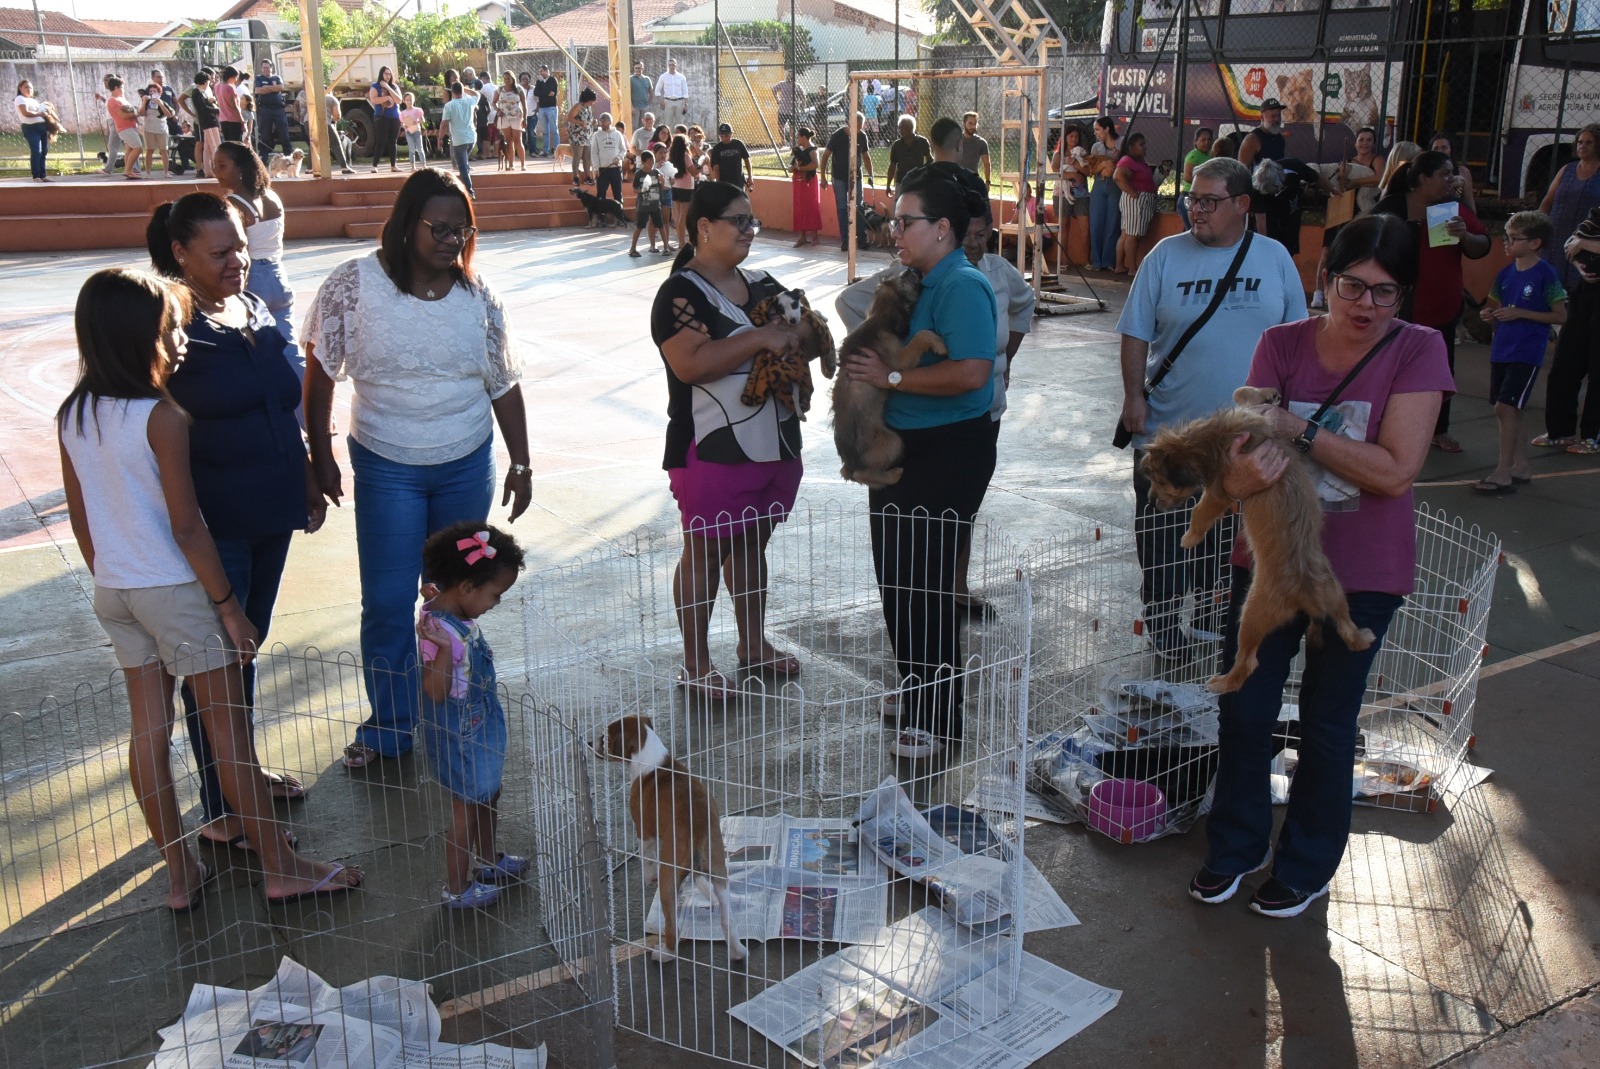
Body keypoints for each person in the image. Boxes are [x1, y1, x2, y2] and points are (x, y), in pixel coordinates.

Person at [59, 267, 362, 909]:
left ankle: (179, 873)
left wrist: (115, 574)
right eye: (168, 332)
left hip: (116, 591)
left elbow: (84, 520)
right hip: (175, 590)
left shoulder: (75, 413)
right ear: (138, 338)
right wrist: (228, 606)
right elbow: (188, 525)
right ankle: (282, 867)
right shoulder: (163, 417)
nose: (178, 344)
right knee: (228, 734)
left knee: (148, 735)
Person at [1189, 213, 1453, 919]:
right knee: (1245, 706)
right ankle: (1237, 844)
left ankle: (1305, 863)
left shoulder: (1419, 351)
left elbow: (1395, 471)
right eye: (1351, 286)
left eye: (1385, 292)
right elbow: (1242, 457)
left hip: (1361, 572)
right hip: (1271, 563)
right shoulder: (1281, 344)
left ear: (1405, 297)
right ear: (1324, 281)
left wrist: (1299, 428)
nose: (1365, 305)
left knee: (1327, 723)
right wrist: (1241, 472)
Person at [303, 169, 531, 769]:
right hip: (386, 465)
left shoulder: (478, 296)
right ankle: (391, 726)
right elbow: (320, 372)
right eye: (439, 228)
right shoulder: (353, 286)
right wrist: (319, 454)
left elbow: (503, 381)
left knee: (451, 598)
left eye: (463, 230)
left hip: (465, 461)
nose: (452, 240)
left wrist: (522, 459)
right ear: (407, 225)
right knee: (386, 599)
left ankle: (448, 708)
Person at [146, 191, 319, 851]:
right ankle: (222, 804)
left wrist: (304, 469)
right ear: (180, 252)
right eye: (220, 251)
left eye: (242, 245)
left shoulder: (247, 305)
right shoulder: (168, 322)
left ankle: (238, 772)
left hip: (270, 511)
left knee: (242, 651)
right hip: (216, 523)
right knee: (218, 661)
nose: (238, 260)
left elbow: (280, 402)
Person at [1117, 157, 1307, 660]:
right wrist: (1133, 397)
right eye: (1191, 200)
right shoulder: (1164, 256)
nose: (1195, 211)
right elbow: (1134, 331)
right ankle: (1163, 624)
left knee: (1231, 537)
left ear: (1242, 205)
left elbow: (1297, 339)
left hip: (1246, 438)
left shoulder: (1274, 259)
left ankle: (1213, 615)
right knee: (1162, 538)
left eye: (1208, 202)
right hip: (1170, 433)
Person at [838, 165, 998, 760]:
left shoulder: (962, 285)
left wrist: (893, 375)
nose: (895, 230)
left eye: (907, 222)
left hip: (950, 450)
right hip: (907, 448)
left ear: (944, 228)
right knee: (898, 579)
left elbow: (973, 373)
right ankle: (915, 690)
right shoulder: (917, 280)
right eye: (895, 220)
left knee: (928, 587)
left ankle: (939, 717)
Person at [650, 182, 809, 698]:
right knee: (705, 549)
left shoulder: (762, 281)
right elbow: (692, 363)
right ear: (704, 227)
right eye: (738, 221)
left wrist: (804, 338)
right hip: (711, 443)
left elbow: (805, 330)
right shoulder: (680, 292)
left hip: (774, 440)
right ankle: (695, 664)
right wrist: (762, 338)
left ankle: (752, 644)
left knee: (751, 542)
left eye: (752, 221)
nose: (749, 230)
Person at [416, 521, 529, 909]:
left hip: (479, 720)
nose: (496, 603)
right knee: (466, 808)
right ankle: (457, 887)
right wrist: (444, 652)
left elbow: (434, 597)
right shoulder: (438, 633)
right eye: (495, 595)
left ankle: (488, 859)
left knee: (489, 792)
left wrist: (432, 593)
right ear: (465, 588)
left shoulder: (444, 604)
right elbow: (434, 691)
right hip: (460, 731)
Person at [1371, 150, 1490, 453]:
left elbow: (1482, 245)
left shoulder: (1450, 209)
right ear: (1423, 179)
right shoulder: (1393, 207)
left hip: (1441, 304)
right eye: (1445, 174)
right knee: (1387, 366)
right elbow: (1365, 244)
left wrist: (1464, 237)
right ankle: (1381, 424)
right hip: (1396, 306)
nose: (1453, 180)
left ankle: (1438, 429)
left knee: (1439, 370)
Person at [1475, 211, 1567, 492]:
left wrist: (1521, 314)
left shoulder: (1545, 274)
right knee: (1512, 408)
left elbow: (1560, 316)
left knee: (1505, 406)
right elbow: (1492, 305)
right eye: (1507, 237)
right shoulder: (1505, 274)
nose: (1507, 243)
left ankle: (1503, 470)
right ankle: (1521, 465)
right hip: (1502, 349)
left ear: (1535, 243)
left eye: (1514, 238)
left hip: (1526, 351)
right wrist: (1488, 314)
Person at [210, 142, 301, 384]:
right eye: (214, 166)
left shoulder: (236, 204)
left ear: (241, 168)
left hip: (252, 279)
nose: (216, 172)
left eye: (222, 166)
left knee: (251, 354)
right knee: (290, 352)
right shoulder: (271, 195)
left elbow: (234, 250)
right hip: (278, 276)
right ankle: (309, 414)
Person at [1535, 204, 1600, 453]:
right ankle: (1559, 430)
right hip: (1586, 292)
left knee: (1598, 366)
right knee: (1566, 360)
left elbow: (1581, 242)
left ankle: (1593, 435)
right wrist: (1581, 263)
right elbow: (1572, 242)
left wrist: (1586, 245)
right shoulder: (1595, 215)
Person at [1311, 126, 1383, 309]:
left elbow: (1380, 178)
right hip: (1342, 209)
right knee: (1327, 251)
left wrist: (1355, 182)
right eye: (1361, 140)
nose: (1365, 143)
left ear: (1374, 143)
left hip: (1363, 212)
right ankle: (1318, 292)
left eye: (1369, 140)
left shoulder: (1377, 160)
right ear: (1355, 143)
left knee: (1358, 254)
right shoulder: (1346, 163)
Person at [1536, 123, 1600, 293]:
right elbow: (1547, 201)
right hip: (1555, 237)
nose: (1582, 146)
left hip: (1585, 240)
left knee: (1577, 289)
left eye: (1589, 142)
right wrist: (1539, 228)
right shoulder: (1566, 170)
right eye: (1580, 142)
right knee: (1549, 287)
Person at [822, 113, 874, 250]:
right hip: (839, 177)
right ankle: (845, 239)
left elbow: (866, 156)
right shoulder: (838, 135)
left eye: (860, 127)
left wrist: (871, 175)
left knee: (858, 206)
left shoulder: (862, 136)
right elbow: (825, 156)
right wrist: (822, 177)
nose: (857, 131)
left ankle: (862, 238)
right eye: (856, 127)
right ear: (850, 123)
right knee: (842, 208)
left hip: (856, 176)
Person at [1113, 130, 1159, 275]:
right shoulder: (1128, 160)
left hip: (1137, 199)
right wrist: (1133, 193)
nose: (1144, 147)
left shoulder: (1139, 162)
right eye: (1141, 144)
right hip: (1136, 201)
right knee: (1133, 235)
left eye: (1144, 144)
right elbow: (1118, 176)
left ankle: (1120, 265)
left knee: (1127, 234)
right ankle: (1132, 268)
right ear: (1131, 146)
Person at [1087, 116, 1122, 271]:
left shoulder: (1122, 142)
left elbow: (1124, 161)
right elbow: (1091, 170)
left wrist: (1110, 162)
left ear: (1107, 129)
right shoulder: (1096, 147)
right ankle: (1096, 261)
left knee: (1113, 222)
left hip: (1116, 184)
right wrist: (1102, 164)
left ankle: (1108, 261)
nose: (1096, 133)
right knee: (1096, 222)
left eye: (1097, 129)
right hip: (1099, 183)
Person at [1051, 122, 1090, 256]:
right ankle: (1062, 260)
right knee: (1064, 227)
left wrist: (1074, 162)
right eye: (1071, 136)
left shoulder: (1081, 154)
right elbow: (1055, 172)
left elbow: (1087, 172)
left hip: (1081, 194)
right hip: (1061, 193)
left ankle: (1086, 260)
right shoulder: (1058, 155)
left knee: (1085, 227)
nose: (1074, 139)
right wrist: (1072, 174)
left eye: (1076, 137)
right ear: (1065, 137)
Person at [629, 150, 668, 257]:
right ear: (643, 162)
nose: (651, 165)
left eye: (653, 162)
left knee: (660, 225)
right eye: (649, 163)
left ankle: (665, 247)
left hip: (655, 204)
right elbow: (634, 189)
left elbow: (662, 186)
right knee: (640, 226)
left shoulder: (656, 172)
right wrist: (642, 190)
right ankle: (633, 248)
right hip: (643, 205)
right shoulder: (639, 174)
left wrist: (662, 181)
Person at [442, 82, 478, 197]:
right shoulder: (470, 101)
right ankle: (467, 186)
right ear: (462, 91)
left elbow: (444, 124)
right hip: (471, 138)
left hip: (458, 140)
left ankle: (469, 191)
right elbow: (477, 94)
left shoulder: (449, 106)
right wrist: (465, 89)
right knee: (464, 161)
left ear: (452, 92)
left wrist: (439, 138)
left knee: (462, 166)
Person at [1427, 132, 1476, 214]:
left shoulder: (1463, 172)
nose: (1440, 151)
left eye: (1444, 148)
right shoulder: (1425, 173)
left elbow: (1470, 205)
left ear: (1451, 149)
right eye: (1436, 148)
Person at [107, 77, 144, 180]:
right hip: (125, 128)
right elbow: (122, 115)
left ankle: (129, 170)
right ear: (116, 87)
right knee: (138, 148)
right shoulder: (113, 100)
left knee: (130, 148)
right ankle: (128, 170)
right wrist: (137, 113)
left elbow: (129, 110)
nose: (123, 89)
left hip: (130, 127)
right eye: (121, 87)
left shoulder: (121, 99)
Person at [16, 79, 54, 181]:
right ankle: (36, 176)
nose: (29, 89)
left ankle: (43, 175)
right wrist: (39, 114)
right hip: (30, 128)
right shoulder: (20, 99)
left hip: (42, 127)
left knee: (44, 151)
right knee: (36, 151)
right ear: (20, 88)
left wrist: (46, 112)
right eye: (26, 87)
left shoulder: (34, 100)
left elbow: (41, 112)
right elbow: (25, 113)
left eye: (31, 87)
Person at [1176, 127, 1213, 230]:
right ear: (1196, 142)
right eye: (1203, 140)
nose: (1207, 142)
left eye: (1209, 139)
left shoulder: (1211, 155)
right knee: (1192, 230)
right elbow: (1188, 177)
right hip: (1189, 197)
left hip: (1201, 198)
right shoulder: (1193, 156)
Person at [791, 127, 822, 247]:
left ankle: (815, 236)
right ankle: (802, 237)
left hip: (809, 181)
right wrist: (793, 167)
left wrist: (801, 169)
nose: (797, 139)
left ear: (804, 137)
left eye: (798, 137)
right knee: (799, 207)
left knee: (812, 206)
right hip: (799, 182)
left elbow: (815, 164)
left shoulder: (812, 150)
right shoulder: (799, 150)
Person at [254, 59, 292, 157]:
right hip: (265, 110)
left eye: (267, 67)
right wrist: (273, 88)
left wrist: (266, 87)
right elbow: (258, 90)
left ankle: (289, 156)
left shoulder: (277, 77)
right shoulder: (258, 78)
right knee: (265, 134)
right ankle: (264, 157)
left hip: (278, 110)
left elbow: (280, 87)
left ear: (271, 68)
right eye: (263, 68)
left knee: (283, 133)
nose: (265, 70)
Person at [887, 115, 933, 194]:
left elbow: (930, 160)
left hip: (917, 181)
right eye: (899, 127)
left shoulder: (923, 142)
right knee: (899, 204)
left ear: (911, 127)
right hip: (901, 181)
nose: (900, 130)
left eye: (903, 127)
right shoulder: (896, 145)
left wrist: (921, 171)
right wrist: (888, 185)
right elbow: (892, 166)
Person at [187, 71, 221, 179]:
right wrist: (215, 110)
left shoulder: (201, 92)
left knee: (207, 148)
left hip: (208, 122)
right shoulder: (197, 92)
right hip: (208, 122)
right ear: (205, 81)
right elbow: (203, 109)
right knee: (215, 146)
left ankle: (208, 170)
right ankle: (218, 169)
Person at [1236, 97, 1287, 169]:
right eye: (1273, 116)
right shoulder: (1252, 139)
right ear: (1262, 117)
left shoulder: (1280, 138)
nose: (1277, 119)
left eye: (1279, 115)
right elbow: (1242, 170)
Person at [369, 67, 402, 173]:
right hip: (381, 117)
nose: (388, 76)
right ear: (381, 74)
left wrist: (388, 88)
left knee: (393, 141)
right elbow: (373, 99)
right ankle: (374, 165)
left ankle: (393, 165)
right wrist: (386, 98)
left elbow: (399, 100)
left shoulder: (394, 86)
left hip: (395, 117)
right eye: (385, 74)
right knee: (381, 141)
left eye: (389, 74)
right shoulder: (375, 86)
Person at [591, 112, 628, 203]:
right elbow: (594, 153)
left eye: (605, 121)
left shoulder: (618, 134)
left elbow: (623, 150)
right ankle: (601, 215)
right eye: (601, 121)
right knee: (601, 195)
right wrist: (596, 168)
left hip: (615, 168)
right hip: (602, 169)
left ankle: (620, 215)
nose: (602, 123)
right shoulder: (596, 135)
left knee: (618, 195)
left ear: (610, 122)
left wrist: (618, 158)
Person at [668, 133, 696, 246]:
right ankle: (682, 242)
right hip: (686, 187)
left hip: (675, 186)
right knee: (683, 216)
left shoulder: (671, 156)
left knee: (677, 215)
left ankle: (680, 241)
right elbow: (694, 172)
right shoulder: (686, 156)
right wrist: (702, 164)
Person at [140, 83, 174, 177]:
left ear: (159, 93)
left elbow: (169, 115)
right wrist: (144, 102)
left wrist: (160, 103)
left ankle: (166, 172)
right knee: (149, 150)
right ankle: (148, 173)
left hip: (161, 129)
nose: (152, 93)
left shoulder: (163, 102)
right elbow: (141, 113)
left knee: (163, 150)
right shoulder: (147, 103)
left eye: (154, 91)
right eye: (150, 91)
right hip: (149, 129)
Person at [493, 73, 525, 171]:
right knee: (508, 140)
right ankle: (511, 164)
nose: (506, 80)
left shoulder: (519, 89)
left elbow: (524, 105)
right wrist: (498, 110)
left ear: (513, 78)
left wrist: (525, 119)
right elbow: (493, 103)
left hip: (517, 116)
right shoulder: (499, 89)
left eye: (508, 78)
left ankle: (523, 164)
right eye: (505, 78)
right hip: (504, 117)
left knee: (518, 140)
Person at [708, 122, 752, 190]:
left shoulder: (738, 144)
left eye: (727, 136)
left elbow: (747, 160)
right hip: (724, 182)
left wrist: (750, 176)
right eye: (722, 136)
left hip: (738, 181)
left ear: (731, 134)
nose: (724, 138)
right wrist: (718, 182)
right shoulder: (717, 148)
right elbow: (716, 167)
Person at [567, 87, 596, 185]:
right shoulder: (578, 106)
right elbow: (569, 117)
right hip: (577, 136)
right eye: (592, 100)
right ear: (587, 99)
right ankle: (575, 177)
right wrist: (580, 123)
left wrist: (593, 122)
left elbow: (588, 119)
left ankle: (587, 177)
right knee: (577, 156)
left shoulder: (588, 108)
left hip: (587, 137)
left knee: (587, 157)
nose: (593, 103)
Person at [325, 87, 356, 174]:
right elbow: (337, 116)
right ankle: (344, 167)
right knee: (335, 144)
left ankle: (311, 168)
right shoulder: (331, 98)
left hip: (308, 122)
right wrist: (333, 119)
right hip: (325, 123)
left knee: (315, 144)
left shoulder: (312, 98)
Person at [958, 111, 991, 186]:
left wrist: (987, 182)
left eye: (975, 124)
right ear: (964, 124)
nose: (973, 127)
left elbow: (987, 164)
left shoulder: (981, 142)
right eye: (970, 123)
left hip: (973, 180)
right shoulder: (956, 140)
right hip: (957, 180)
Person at [533, 64, 560, 157]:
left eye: (541, 71)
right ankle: (545, 150)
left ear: (546, 71)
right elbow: (536, 92)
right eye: (539, 71)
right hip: (542, 108)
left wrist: (543, 88)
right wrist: (545, 93)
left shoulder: (552, 80)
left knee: (554, 129)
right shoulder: (538, 81)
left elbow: (552, 92)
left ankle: (557, 150)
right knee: (545, 130)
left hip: (551, 108)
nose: (540, 73)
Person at [655, 58, 689, 128]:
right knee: (668, 123)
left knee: (680, 123)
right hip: (668, 102)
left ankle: (681, 138)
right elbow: (657, 90)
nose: (671, 66)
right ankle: (668, 139)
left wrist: (685, 104)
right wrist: (661, 102)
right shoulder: (663, 76)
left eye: (673, 65)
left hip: (679, 101)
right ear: (668, 66)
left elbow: (685, 91)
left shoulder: (681, 77)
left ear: (676, 66)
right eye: (670, 65)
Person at [216, 67, 243, 144]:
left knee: (228, 144)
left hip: (223, 120)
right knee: (237, 144)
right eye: (236, 77)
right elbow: (234, 106)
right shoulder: (230, 88)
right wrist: (242, 121)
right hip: (234, 121)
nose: (236, 79)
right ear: (232, 76)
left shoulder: (217, 86)